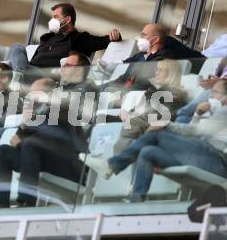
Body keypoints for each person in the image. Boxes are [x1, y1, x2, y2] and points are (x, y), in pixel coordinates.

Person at [81, 80, 227, 202]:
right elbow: (195, 134)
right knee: (147, 152)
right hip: (202, 157)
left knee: (157, 135)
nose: (210, 96)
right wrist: (197, 114)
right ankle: (135, 202)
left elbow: (196, 131)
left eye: (215, 92)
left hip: (218, 162)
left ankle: (111, 165)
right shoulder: (216, 112)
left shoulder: (224, 111)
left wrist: (166, 124)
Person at [0, 78, 89, 207]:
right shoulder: (36, 113)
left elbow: (47, 142)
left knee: (29, 145)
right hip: (41, 160)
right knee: (4, 151)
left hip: (68, 165)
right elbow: (16, 140)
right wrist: (24, 124)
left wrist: (22, 142)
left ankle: (26, 201)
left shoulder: (63, 109)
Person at [9, 3, 122, 71]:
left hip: (47, 75)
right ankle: (19, 75)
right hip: (29, 69)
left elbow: (105, 41)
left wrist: (115, 35)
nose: (52, 20)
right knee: (16, 47)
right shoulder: (48, 37)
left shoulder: (80, 39)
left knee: (13, 65)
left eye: (56, 17)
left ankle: (19, 77)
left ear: (67, 19)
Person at [104, 24, 205, 92]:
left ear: (155, 39)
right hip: (123, 93)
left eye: (143, 35)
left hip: (136, 96)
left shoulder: (163, 59)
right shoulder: (140, 56)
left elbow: (143, 82)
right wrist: (101, 87)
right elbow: (123, 77)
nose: (140, 39)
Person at [112, 60, 187, 151]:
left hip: (144, 126)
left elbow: (163, 117)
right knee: (99, 119)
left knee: (130, 124)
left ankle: (115, 161)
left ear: (171, 74)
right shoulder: (153, 90)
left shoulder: (175, 95)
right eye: (157, 69)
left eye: (161, 70)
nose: (157, 73)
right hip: (135, 121)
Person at [175, 57, 227, 123]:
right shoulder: (224, 60)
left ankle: (179, 118)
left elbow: (221, 82)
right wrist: (209, 82)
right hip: (215, 89)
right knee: (184, 116)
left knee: (184, 113)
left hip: (222, 92)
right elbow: (217, 76)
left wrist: (219, 83)